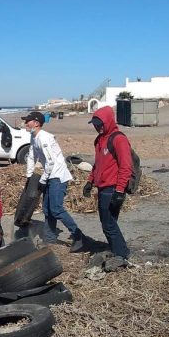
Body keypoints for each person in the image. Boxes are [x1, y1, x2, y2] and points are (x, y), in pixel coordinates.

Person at [22, 111, 86, 251]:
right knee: (47, 209)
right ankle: (50, 239)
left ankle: (78, 236)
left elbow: (50, 162)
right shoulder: (34, 137)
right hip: (49, 176)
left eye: (28, 121)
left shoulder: (45, 138)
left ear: (37, 123)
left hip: (57, 176)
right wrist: (29, 176)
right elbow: (32, 157)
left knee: (56, 209)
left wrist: (43, 179)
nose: (26, 123)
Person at [83, 106, 132, 260]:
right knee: (110, 223)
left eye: (100, 124)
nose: (97, 127)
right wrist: (90, 181)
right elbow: (98, 164)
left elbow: (126, 166)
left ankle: (121, 254)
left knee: (108, 224)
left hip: (112, 188)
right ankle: (117, 249)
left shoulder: (118, 139)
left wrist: (119, 191)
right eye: (95, 125)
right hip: (102, 187)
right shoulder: (99, 140)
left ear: (108, 121)